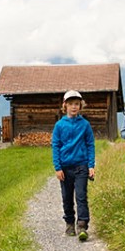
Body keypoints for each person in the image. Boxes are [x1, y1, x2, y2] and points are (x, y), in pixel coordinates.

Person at [52, 89, 97, 241]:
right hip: (65, 168)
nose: (74, 107)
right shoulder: (59, 125)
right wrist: (57, 167)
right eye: (71, 104)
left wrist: (91, 165)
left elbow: (90, 144)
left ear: (80, 106)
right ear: (65, 106)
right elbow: (56, 146)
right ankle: (70, 223)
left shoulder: (85, 125)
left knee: (81, 196)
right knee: (66, 197)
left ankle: (82, 225)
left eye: (77, 104)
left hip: (81, 166)